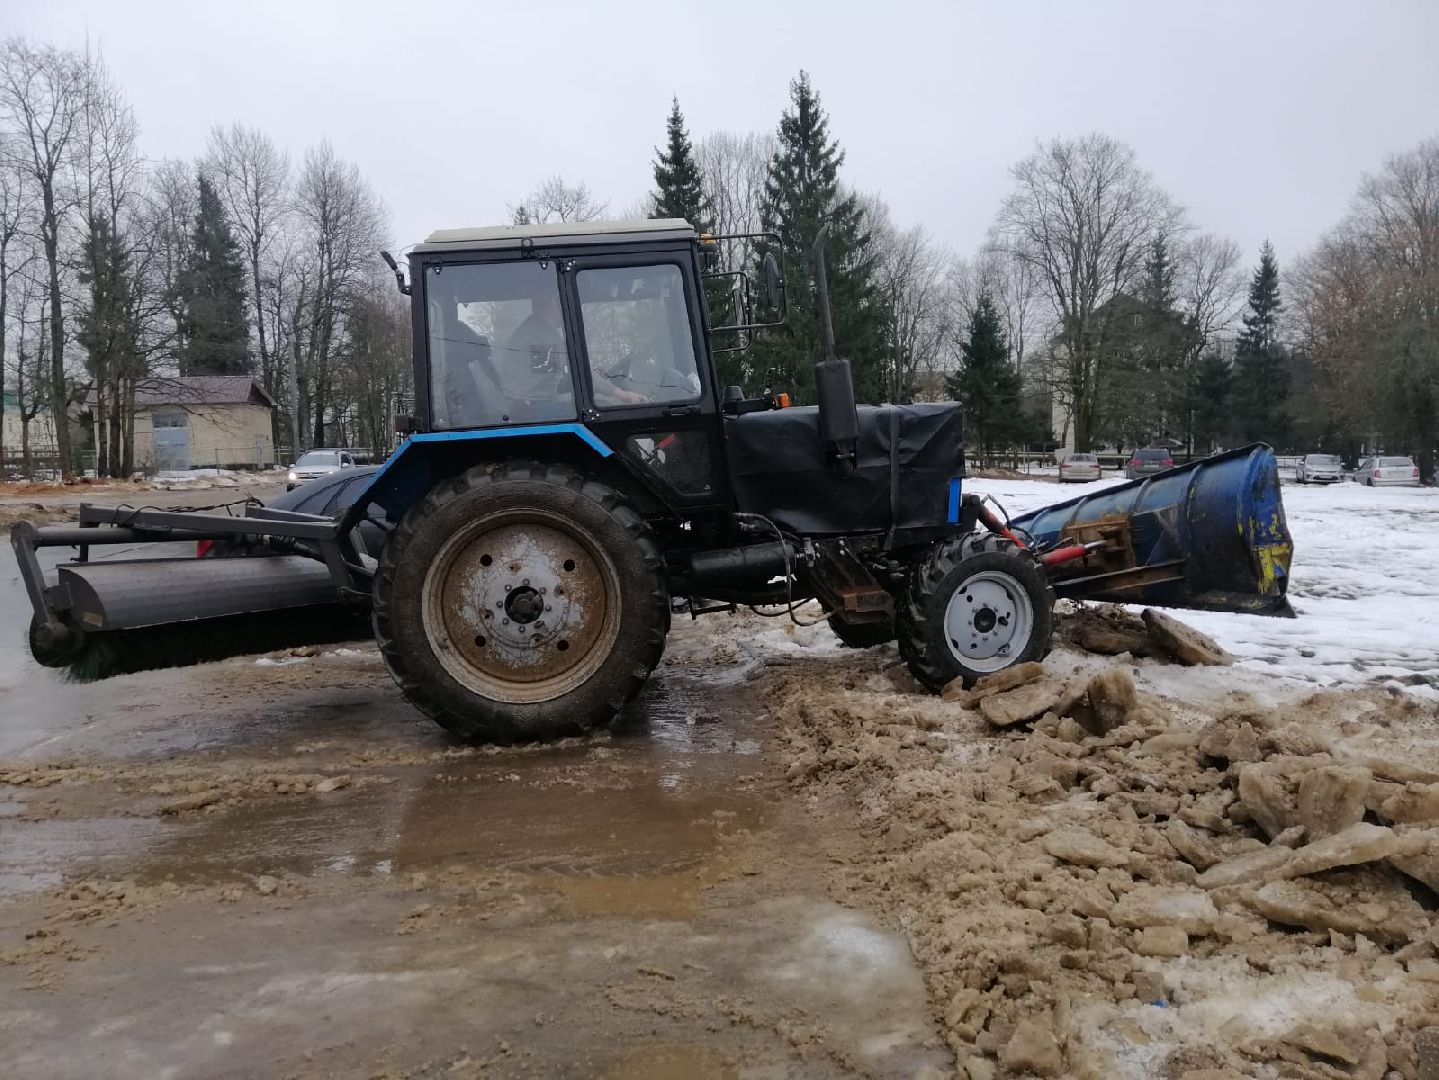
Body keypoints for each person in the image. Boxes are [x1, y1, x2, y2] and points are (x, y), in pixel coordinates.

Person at [504, 289, 647, 406]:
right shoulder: (542, 335)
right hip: (531, 406)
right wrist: (621, 393)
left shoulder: (535, 330)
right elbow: (577, 373)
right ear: (553, 302)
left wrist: (598, 379)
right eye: (563, 301)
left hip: (529, 402)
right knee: (602, 406)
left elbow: (555, 377)